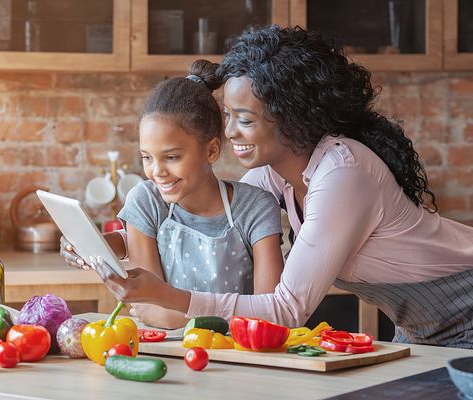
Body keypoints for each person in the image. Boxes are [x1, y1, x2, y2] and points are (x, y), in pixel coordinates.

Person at [66, 25, 473, 348]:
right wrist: (103, 249)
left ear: (292, 115)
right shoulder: (268, 177)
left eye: (244, 119)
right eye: (227, 115)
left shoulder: (343, 176)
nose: (228, 132)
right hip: (422, 329)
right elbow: (207, 228)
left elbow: (286, 309)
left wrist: (170, 298)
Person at [67, 60, 285, 329]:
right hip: (164, 354)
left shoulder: (257, 207)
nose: (157, 171)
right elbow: (148, 307)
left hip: (238, 356)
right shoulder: (146, 201)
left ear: (212, 151)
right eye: (147, 157)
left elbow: (268, 319)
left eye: (171, 157)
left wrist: (171, 315)